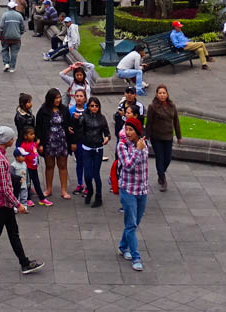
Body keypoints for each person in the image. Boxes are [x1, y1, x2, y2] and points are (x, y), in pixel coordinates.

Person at [0, 127, 44, 280]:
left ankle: (24, 262)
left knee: (13, 232)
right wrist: (17, 204)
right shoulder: (0, 161)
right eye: (12, 138)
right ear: (8, 141)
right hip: (2, 204)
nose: (14, 140)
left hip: (3, 203)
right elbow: (3, 188)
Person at [116, 116, 150, 272]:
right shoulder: (122, 146)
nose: (128, 132)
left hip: (142, 190)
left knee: (135, 222)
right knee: (131, 224)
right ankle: (136, 257)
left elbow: (146, 167)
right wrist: (137, 150)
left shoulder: (144, 143)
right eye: (126, 129)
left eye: (131, 130)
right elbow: (128, 166)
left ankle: (123, 245)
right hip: (128, 189)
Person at [35, 88, 72, 201]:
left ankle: (64, 190)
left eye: (59, 97)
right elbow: (39, 128)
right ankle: (48, 188)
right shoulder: (43, 111)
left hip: (61, 141)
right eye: (55, 98)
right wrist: (40, 143)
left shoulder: (64, 110)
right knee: (49, 166)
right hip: (49, 142)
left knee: (63, 165)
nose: (58, 100)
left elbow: (69, 125)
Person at [145, 85, 182, 192]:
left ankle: (161, 171)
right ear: (157, 94)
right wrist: (147, 136)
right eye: (160, 93)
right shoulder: (152, 107)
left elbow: (176, 122)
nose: (162, 95)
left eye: (164, 93)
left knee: (167, 158)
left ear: (167, 94)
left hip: (168, 136)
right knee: (160, 158)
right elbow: (149, 123)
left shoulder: (172, 106)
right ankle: (162, 178)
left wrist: (179, 136)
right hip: (156, 137)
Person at [78, 97, 110, 207]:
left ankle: (99, 197)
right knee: (87, 174)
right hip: (87, 148)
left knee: (96, 174)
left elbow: (107, 132)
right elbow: (78, 129)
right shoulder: (84, 117)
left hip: (98, 149)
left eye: (96, 106)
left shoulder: (102, 118)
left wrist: (107, 138)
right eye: (92, 106)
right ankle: (90, 190)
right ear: (88, 107)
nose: (94, 108)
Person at [0, 2, 25, 72]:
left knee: (4, 50)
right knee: (14, 52)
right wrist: (20, 33)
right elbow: (22, 27)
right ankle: (12, 67)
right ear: (15, 8)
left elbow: (1, 27)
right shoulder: (19, 15)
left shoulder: (5, 15)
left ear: (8, 7)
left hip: (6, 37)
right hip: (16, 37)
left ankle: (6, 63)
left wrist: (1, 36)